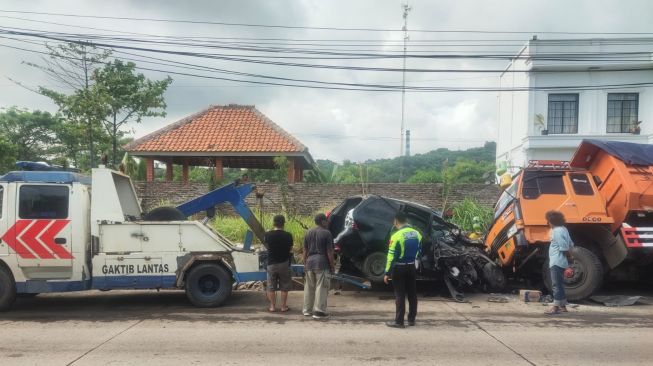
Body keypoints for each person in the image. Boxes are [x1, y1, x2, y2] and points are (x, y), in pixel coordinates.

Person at [384, 212, 422, 328]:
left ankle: (399, 322)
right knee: (412, 294)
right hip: (411, 266)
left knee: (399, 294)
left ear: (396, 221)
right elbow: (419, 252)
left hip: (399, 267)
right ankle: (411, 319)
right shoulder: (417, 234)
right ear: (406, 220)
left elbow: (391, 256)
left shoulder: (396, 236)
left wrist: (387, 273)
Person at [302, 213, 335, 320]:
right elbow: (329, 252)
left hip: (309, 263)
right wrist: (332, 266)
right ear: (322, 221)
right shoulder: (327, 233)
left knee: (309, 288)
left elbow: (305, 251)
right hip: (322, 263)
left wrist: (305, 264)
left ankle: (307, 310)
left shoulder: (308, 232)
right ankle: (319, 312)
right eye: (326, 220)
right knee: (321, 288)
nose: (328, 222)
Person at [545, 210, 574, 315]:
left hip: (556, 261)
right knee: (560, 284)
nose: (548, 223)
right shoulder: (564, 229)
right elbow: (571, 244)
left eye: (548, 221)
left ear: (552, 222)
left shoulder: (556, 231)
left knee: (556, 284)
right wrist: (570, 257)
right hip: (562, 262)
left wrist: (570, 256)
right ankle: (563, 306)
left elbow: (564, 247)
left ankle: (555, 307)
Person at [264, 215, 294, 313]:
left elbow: (267, 248)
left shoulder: (268, 235)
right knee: (284, 286)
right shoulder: (288, 235)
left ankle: (272, 307)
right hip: (284, 263)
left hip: (271, 264)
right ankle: (283, 307)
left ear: (274, 223)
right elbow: (290, 249)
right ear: (283, 224)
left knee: (271, 286)